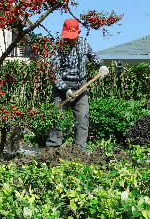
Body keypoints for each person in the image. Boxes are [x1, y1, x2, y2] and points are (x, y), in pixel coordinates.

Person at [45, 18, 108, 151]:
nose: (70, 39)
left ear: (78, 33)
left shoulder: (84, 43)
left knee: (82, 118)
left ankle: (79, 151)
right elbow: (52, 72)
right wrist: (65, 89)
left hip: (81, 86)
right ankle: (52, 149)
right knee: (57, 117)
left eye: (72, 37)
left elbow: (93, 56)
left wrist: (101, 66)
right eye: (68, 37)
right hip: (62, 86)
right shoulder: (57, 47)